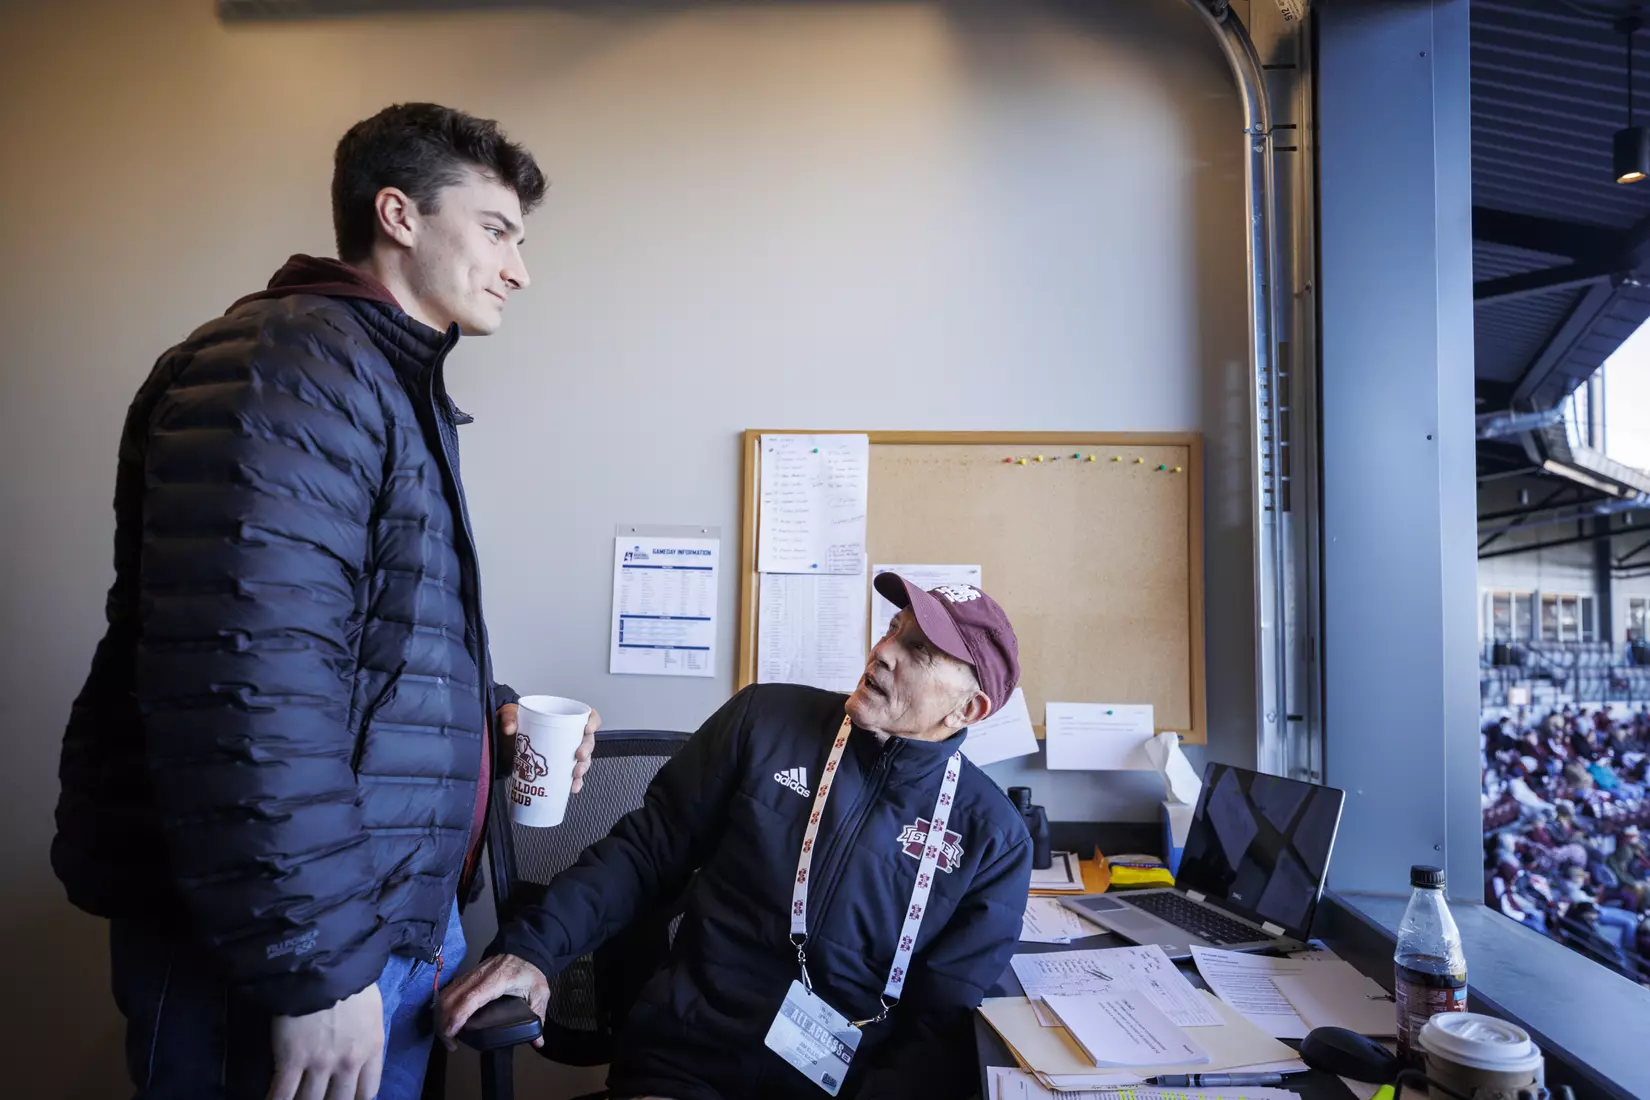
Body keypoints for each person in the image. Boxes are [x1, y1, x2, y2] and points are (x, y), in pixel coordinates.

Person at [50, 103, 598, 1100]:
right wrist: (317, 962)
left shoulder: (377, 378)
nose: (520, 267)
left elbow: (349, 641)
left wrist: (486, 716)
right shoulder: (290, 372)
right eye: (497, 230)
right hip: (296, 944)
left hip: (367, 916)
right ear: (398, 214)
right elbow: (249, 689)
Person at [439, 574, 1035, 1100]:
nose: (882, 652)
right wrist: (535, 950)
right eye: (893, 630)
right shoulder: (766, 720)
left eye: (917, 650)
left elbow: (939, 1020)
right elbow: (643, 854)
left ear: (969, 709)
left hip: (848, 1082)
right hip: (689, 1055)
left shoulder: (994, 838)